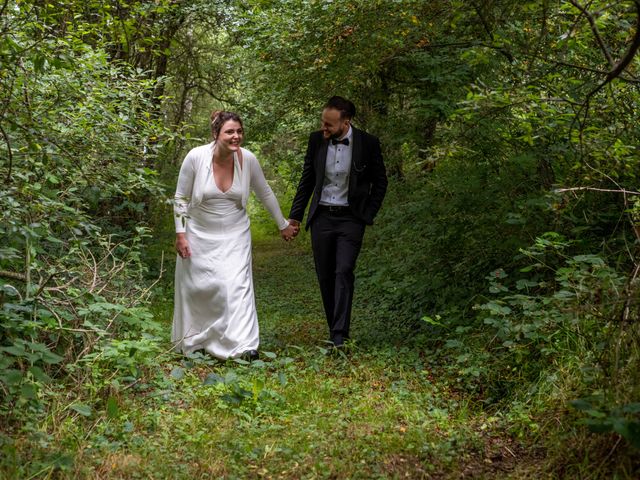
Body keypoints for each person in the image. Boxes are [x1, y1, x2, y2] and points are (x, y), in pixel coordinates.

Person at [172, 110, 298, 360]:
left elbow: (265, 193)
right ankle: (197, 340)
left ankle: (244, 345)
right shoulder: (195, 157)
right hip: (199, 232)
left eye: (239, 131)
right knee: (200, 288)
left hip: (235, 233)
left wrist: (282, 223)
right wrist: (181, 234)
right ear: (216, 134)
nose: (236, 136)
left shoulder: (248, 159)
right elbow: (181, 198)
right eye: (230, 131)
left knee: (236, 287)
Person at [288, 96, 387, 349]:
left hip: (351, 219)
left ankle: (339, 335)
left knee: (343, 270)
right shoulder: (316, 140)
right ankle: (335, 328)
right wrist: (295, 216)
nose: (324, 128)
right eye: (323, 122)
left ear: (346, 122)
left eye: (329, 125)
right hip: (321, 216)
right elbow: (307, 179)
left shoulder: (368, 143)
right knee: (325, 275)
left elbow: (380, 181)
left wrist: (368, 213)